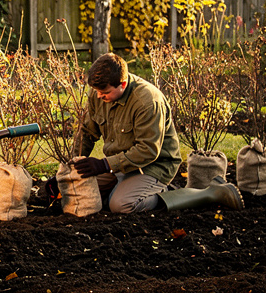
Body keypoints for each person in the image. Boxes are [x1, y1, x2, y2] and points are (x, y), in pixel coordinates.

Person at [73, 53, 243, 213]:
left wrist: (104, 165)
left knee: (120, 205)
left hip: (154, 166)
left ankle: (209, 193)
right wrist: (69, 168)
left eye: (105, 92)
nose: (99, 96)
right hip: (119, 164)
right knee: (78, 186)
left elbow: (148, 150)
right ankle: (122, 187)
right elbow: (87, 133)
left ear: (123, 84)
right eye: (96, 91)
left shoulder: (147, 101)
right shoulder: (98, 93)